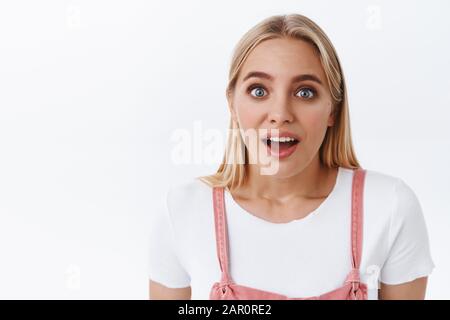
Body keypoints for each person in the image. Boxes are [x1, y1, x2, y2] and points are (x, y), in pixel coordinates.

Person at [149, 13, 435, 300]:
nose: (281, 114)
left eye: (305, 92)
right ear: (232, 104)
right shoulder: (182, 212)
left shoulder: (389, 206)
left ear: (332, 109)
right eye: (259, 90)